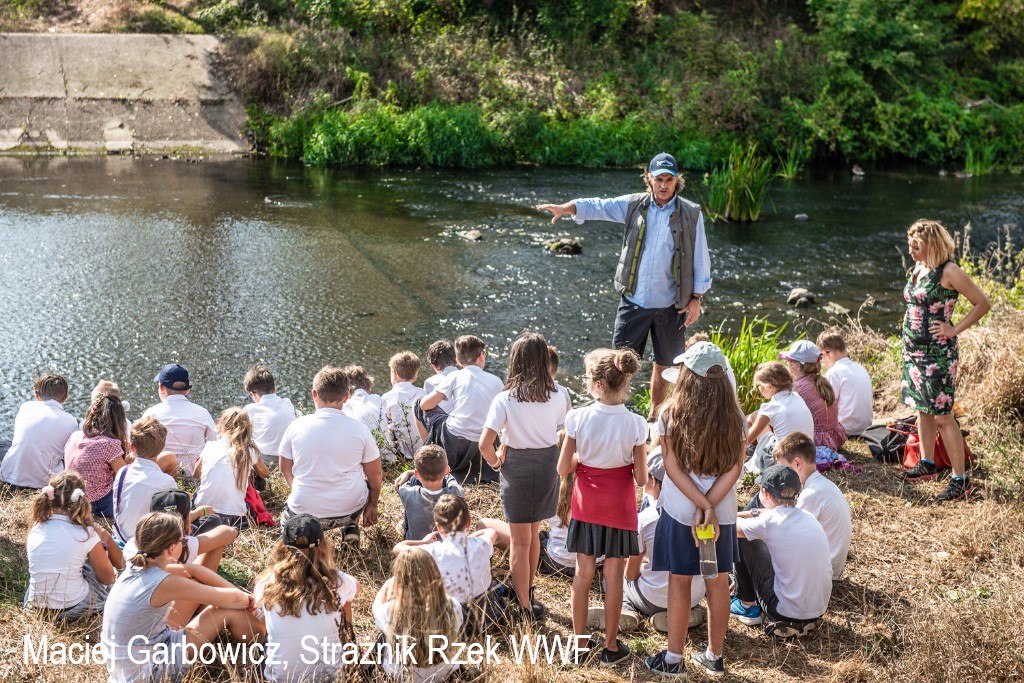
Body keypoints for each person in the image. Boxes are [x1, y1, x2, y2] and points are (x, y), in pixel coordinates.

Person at [536, 152, 712, 419]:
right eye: (658, 179)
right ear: (649, 180)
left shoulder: (691, 213)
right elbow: (599, 206)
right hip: (634, 302)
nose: (663, 185)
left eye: (669, 179)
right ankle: (616, 411)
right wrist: (567, 207)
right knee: (619, 362)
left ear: (677, 181)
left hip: (671, 305)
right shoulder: (634, 205)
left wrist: (696, 297)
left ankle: (655, 415)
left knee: (664, 366)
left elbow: (701, 256)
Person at [647, 341, 744, 677]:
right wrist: (712, 506)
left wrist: (702, 506)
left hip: (680, 512)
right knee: (718, 581)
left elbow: (672, 469)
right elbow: (735, 469)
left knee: (679, 580)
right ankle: (715, 655)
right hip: (723, 515)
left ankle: (673, 659)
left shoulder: (669, 415)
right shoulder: (737, 418)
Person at [557, 347, 648, 665]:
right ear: (624, 381)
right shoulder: (637, 424)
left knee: (583, 575)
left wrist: (585, 460)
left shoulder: (577, 418)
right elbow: (640, 478)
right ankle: (611, 646)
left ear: (596, 384)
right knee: (613, 576)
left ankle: (579, 644)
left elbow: (563, 468)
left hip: (587, 507)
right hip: (620, 510)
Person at [101, 511, 264, 683]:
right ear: (172, 548)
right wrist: (254, 601)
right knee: (221, 611)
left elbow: (194, 571)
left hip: (126, 668)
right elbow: (234, 600)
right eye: (183, 540)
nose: (184, 543)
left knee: (201, 595)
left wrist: (241, 597)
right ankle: (267, 640)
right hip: (147, 672)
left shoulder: (138, 564)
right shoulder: (164, 582)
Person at [480, 332, 570, 620]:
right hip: (547, 466)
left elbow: (484, 444)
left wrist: (496, 463)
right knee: (532, 535)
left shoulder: (505, 399)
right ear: (544, 361)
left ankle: (524, 606)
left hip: (516, 466)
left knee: (521, 540)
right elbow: (564, 431)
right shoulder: (561, 394)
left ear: (515, 362)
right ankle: (527, 591)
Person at [901, 219, 990, 501]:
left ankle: (960, 479)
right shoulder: (918, 267)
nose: (911, 250)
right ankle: (927, 462)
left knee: (942, 415)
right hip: (913, 351)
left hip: (938, 354)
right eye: (910, 244)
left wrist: (953, 328)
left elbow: (983, 303)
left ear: (932, 245)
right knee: (921, 407)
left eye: (916, 245)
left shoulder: (949, 271)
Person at [587, 449, 706, 634]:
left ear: (653, 481)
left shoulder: (647, 519)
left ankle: (626, 610)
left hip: (654, 598)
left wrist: (642, 567)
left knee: (613, 577)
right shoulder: (699, 514)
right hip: (694, 595)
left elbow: (631, 574)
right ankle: (690, 614)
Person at [278, 366, 382, 543]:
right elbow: (375, 474)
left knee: (284, 520)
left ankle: (305, 539)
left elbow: (285, 468)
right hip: (350, 510)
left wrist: (298, 488)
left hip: (305, 512)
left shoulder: (296, 426)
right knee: (361, 482)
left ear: (314, 394)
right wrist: (372, 504)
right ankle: (351, 526)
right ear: (347, 396)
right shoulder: (360, 430)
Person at [254, 514, 359, 682]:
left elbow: (263, 623)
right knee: (345, 601)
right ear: (323, 546)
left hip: (280, 678)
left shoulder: (267, 583)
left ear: (283, 547)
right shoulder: (338, 581)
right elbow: (356, 587)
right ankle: (347, 648)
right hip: (331, 677)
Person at [732, 464, 833, 639]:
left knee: (745, 538)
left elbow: (731, 527)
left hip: (783, 611)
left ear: (764, 493)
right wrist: (756, 513)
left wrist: (741, 513)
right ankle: (802, 622)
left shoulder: (769, 522)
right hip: (817, 610)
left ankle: (747, 605)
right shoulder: (808, 517)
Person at [393, 494, 501, 635]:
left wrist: (423, 542)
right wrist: (468, 539)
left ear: (438, 527)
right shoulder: (481, 544)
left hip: (453, 622)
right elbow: (491, 531)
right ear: (468, 522)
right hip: (487, 616)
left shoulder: (433, 550)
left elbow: (398, 548)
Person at [25, 471, 124, 621]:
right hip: (72, 609)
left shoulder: (37, 527)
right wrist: (102, 539)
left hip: (36, 606)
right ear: (81, 499)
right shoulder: (86, 533)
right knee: (97, 568)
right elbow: (108, 578)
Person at [418, 335, 504, 484]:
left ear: (457, 360)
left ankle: (429, 454)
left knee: (418, 402)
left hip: (454, 444)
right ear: (481, 356)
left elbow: (425, 405)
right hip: (484, 443)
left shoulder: (455, 376)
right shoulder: (496, 381)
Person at [767, 432, 852, 580]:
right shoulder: (823, 485)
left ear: (797, 463)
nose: (780, 476)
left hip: (821, 572)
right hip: (831, 566)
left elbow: (788, 534)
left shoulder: (811, 494)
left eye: (783, 469)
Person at [373, 549, 463, 682]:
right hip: (443, 675)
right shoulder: (453, 606)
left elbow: (376, 609)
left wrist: (386, 586)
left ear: (398, 583)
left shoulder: (390, 611)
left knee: (382, 638)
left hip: (401, 678)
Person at [194, 407, 271, 528]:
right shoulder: (249, 450)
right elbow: (265, 474)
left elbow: (196, 474)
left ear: (221, 426)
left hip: (203, 512)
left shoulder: (210, 446)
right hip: (235, 518)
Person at [0, 373, 79, 489]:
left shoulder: (26, 407)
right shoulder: (71, 421)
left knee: (4, 443)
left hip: (10, 478)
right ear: (66, 397)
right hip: (43, 485)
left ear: (37, 396)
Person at [112, 417, 178, 545]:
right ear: (162, 447)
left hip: (122, 539)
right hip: (147, 544)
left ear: (132, 447)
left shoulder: (122, 473)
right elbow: (172, 520)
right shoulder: (167, 482)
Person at [141, 363, 217, 474]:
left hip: (159, 481)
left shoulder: (151, 414)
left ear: (162, 388)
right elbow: (213, 448)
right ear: (187, 390)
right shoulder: (203, 414)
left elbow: (140, 450)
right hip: (194, 484)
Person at [64, 393, 129, 518]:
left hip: (71, 497)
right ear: (118, 420)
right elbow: (124, 477)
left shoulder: (75, 435)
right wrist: (130, 461)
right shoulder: (109, 444)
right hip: (97, 504)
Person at [744, 361, 814, 472]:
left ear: (770, 386)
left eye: (759, 386)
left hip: (781, 462)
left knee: (754, 420)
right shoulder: (797, 397)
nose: (759, 390)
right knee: (756, 416)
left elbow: (747, 439)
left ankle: (746, 453)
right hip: (807, 457)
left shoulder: (771, 407)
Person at [779, 340, 847, 451]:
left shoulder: (797, 387)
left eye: (790, 361)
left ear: (798, 365)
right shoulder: (822, 380)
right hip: (834, 438)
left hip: (816, 443)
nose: (788, 364)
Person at [394, 444, 465, 541]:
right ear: (447, 470)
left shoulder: (407, 493)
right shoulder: (457, 492)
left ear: (417, 474)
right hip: (446, 545)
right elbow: (450, 478)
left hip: (417, 546)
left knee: (413, 485)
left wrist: (408, 473)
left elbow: (400, 485)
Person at [816, 328, 874, 436]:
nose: (821, 361)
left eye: (821, 357)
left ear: (827, 354)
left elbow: (827, 406)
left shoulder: (833, 373)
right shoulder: (860, 368)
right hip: (866, 427)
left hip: (846, 431)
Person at [242, 364, 297, 470]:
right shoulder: (287, 403)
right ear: (274, 389)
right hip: (289, 459)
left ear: (253, 394)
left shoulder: (249, 410)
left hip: (265, 463)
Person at [381, 351, 427, 462]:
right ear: (415, 375)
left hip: (403, 453)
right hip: (424, 448)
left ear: (394, 373)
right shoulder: (423, 393)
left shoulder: (387, 397)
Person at [538, 473, 578, 578]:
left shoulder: (552, 490)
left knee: (523, 542)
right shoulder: (599, 491)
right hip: (593, 562)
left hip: (556, 561)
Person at [341, 365, 384, 434]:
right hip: (384, 444)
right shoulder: (379, 399)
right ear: (369, 387)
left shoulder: (344, 407)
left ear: (347, 391)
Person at [422, 339, 459, 418]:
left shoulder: (430, 382)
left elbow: (425, 408)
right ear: (456, 360)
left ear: (433, 365)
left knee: (418, 404)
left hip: (444, 424)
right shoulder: (466, 376)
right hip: (467, 423)